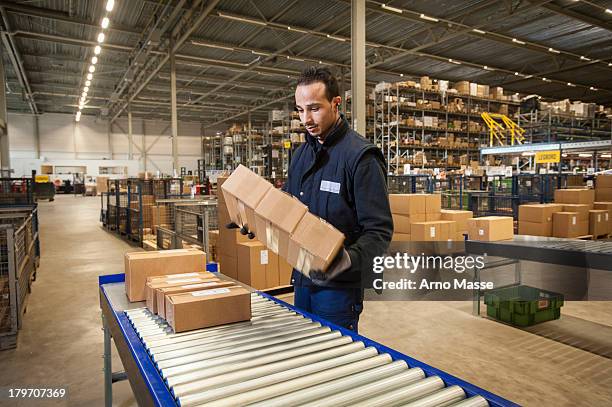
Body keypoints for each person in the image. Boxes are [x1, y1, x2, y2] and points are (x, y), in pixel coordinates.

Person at [283, 67, 393, 332]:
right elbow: (287, 202)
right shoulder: (301, 154)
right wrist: (255, 216)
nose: (306, 119)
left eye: (314, 108)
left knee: (334, 361)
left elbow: (379, 230)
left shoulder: (360, 157)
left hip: (338, 287)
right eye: (300, 110)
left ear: (336, 103)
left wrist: (348, 259)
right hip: (303, 276)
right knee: (305, 352)